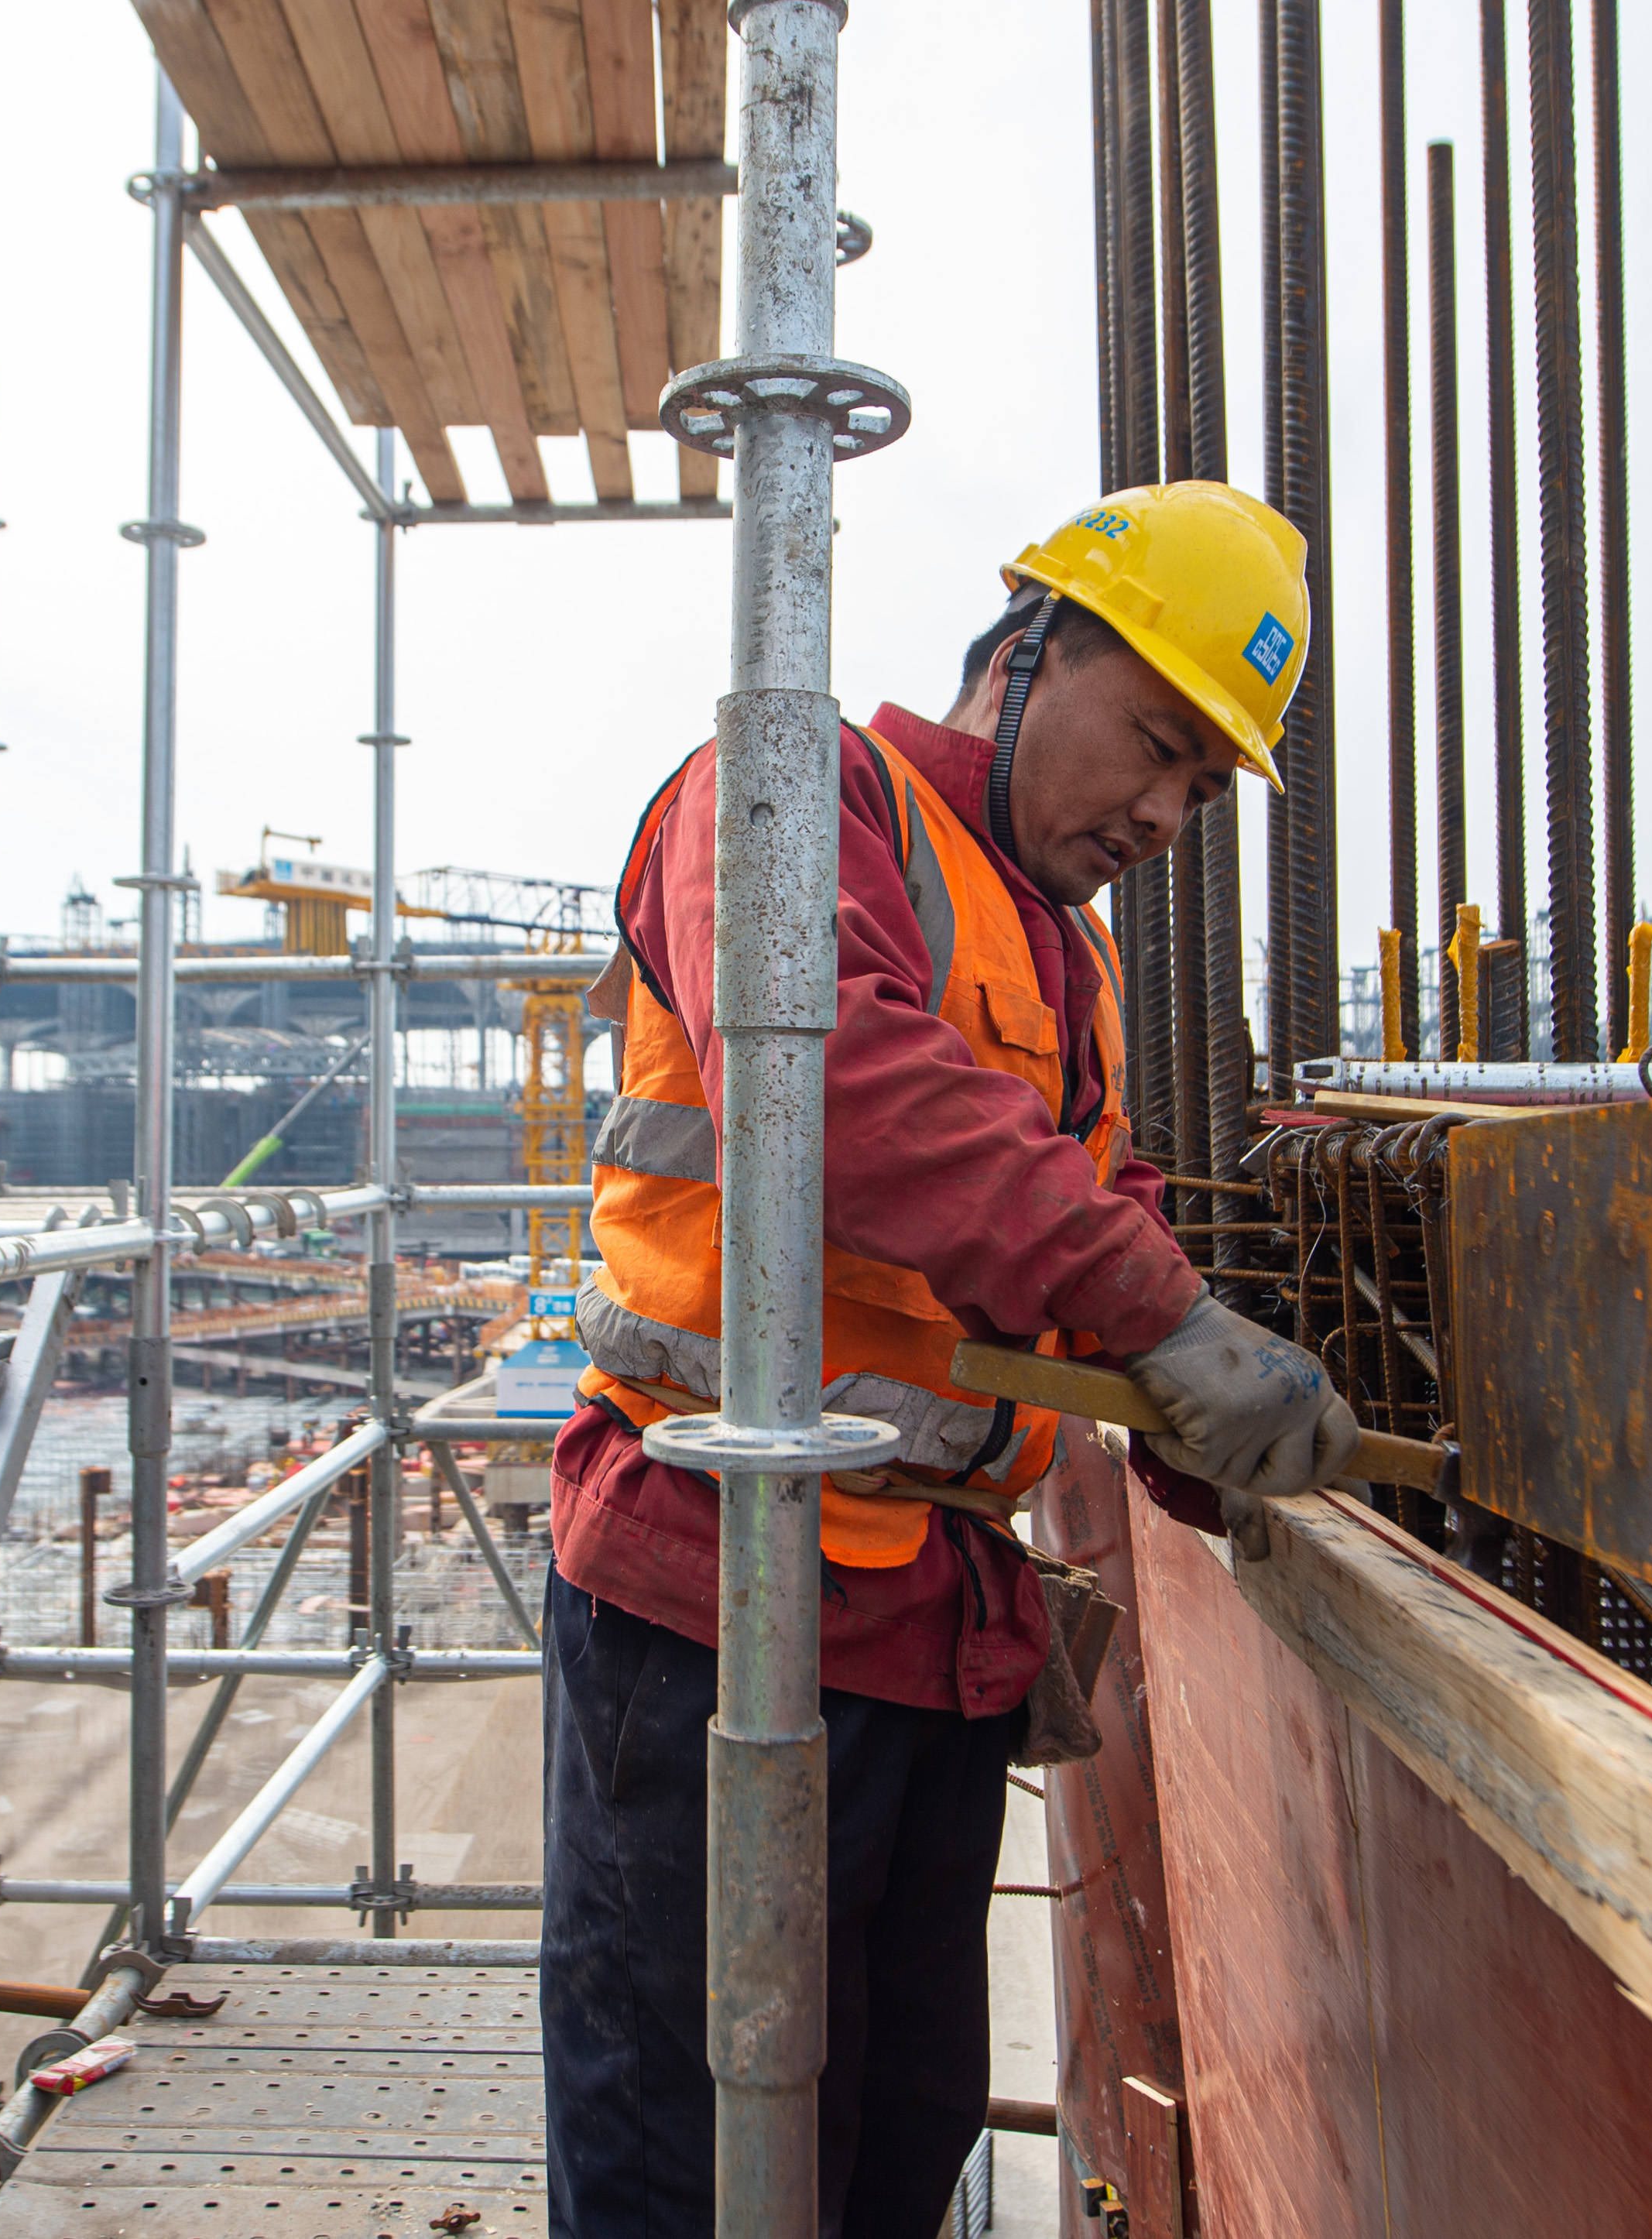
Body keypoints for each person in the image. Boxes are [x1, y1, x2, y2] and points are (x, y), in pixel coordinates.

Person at [542, 481, 1363, 2234]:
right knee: (685, 2164)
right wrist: (1153, 1316)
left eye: (1200, 788)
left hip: (928, 1627)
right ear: (1023, 651)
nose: (1159, 810)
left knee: (886, 2153)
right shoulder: (786, 796)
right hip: (717, 1597)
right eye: (1149, 742)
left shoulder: (1069, 956)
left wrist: (1178, 1415)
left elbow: (1089, 1195)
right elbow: (833, 1068)